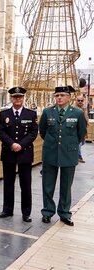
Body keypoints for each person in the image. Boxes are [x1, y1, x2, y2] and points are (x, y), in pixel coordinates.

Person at [39, 85, 87, 226]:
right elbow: (42, 131)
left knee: (66, 186)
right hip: (50, 152)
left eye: (62, 95)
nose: (59, 98)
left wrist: (69, 144)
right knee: (48, 185)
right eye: (57, 95)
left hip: (69, 154)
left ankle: (64, 213)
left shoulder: (77, 113)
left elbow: (81, 133)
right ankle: (47, 212)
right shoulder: (48, 112)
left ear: (69, 97)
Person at [0, 87, 38, 223]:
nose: (17, 99)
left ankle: (26, 212)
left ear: (23, 98)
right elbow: (1, 132)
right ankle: (7, 209)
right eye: (15, 97)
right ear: (11, 99)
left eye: (20, 97)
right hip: (9, 152)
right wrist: (12, 144)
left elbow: (33, 132)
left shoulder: (31, 114)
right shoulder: (4, 114)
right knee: (8, 183)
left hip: (24, 153)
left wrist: (21, 144)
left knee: (25, 184)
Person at [73, 95, 89, 163]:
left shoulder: (84, 108)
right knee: (78, 143)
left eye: (81, 100)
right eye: (78, 100)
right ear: (76, 101)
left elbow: (86, 119)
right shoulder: (73, 108)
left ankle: (77, 156)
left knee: (82, 143)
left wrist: (85, 110)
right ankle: (78, 156)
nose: (80, 102)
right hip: (75, 130)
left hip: (82, 129)